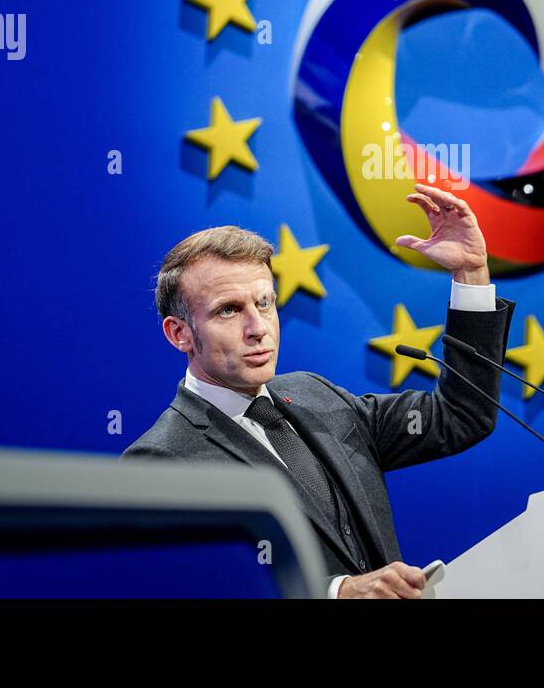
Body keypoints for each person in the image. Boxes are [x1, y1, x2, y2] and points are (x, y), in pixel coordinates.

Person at [122, 183, 515, 598]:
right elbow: (193, 589)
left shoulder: (316, 395)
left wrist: (470, 274)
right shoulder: (161, 460)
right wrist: (336, 594)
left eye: (265, 302)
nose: (258, 328)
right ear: (179, 333)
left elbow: (460, 415)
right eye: (229, 310)